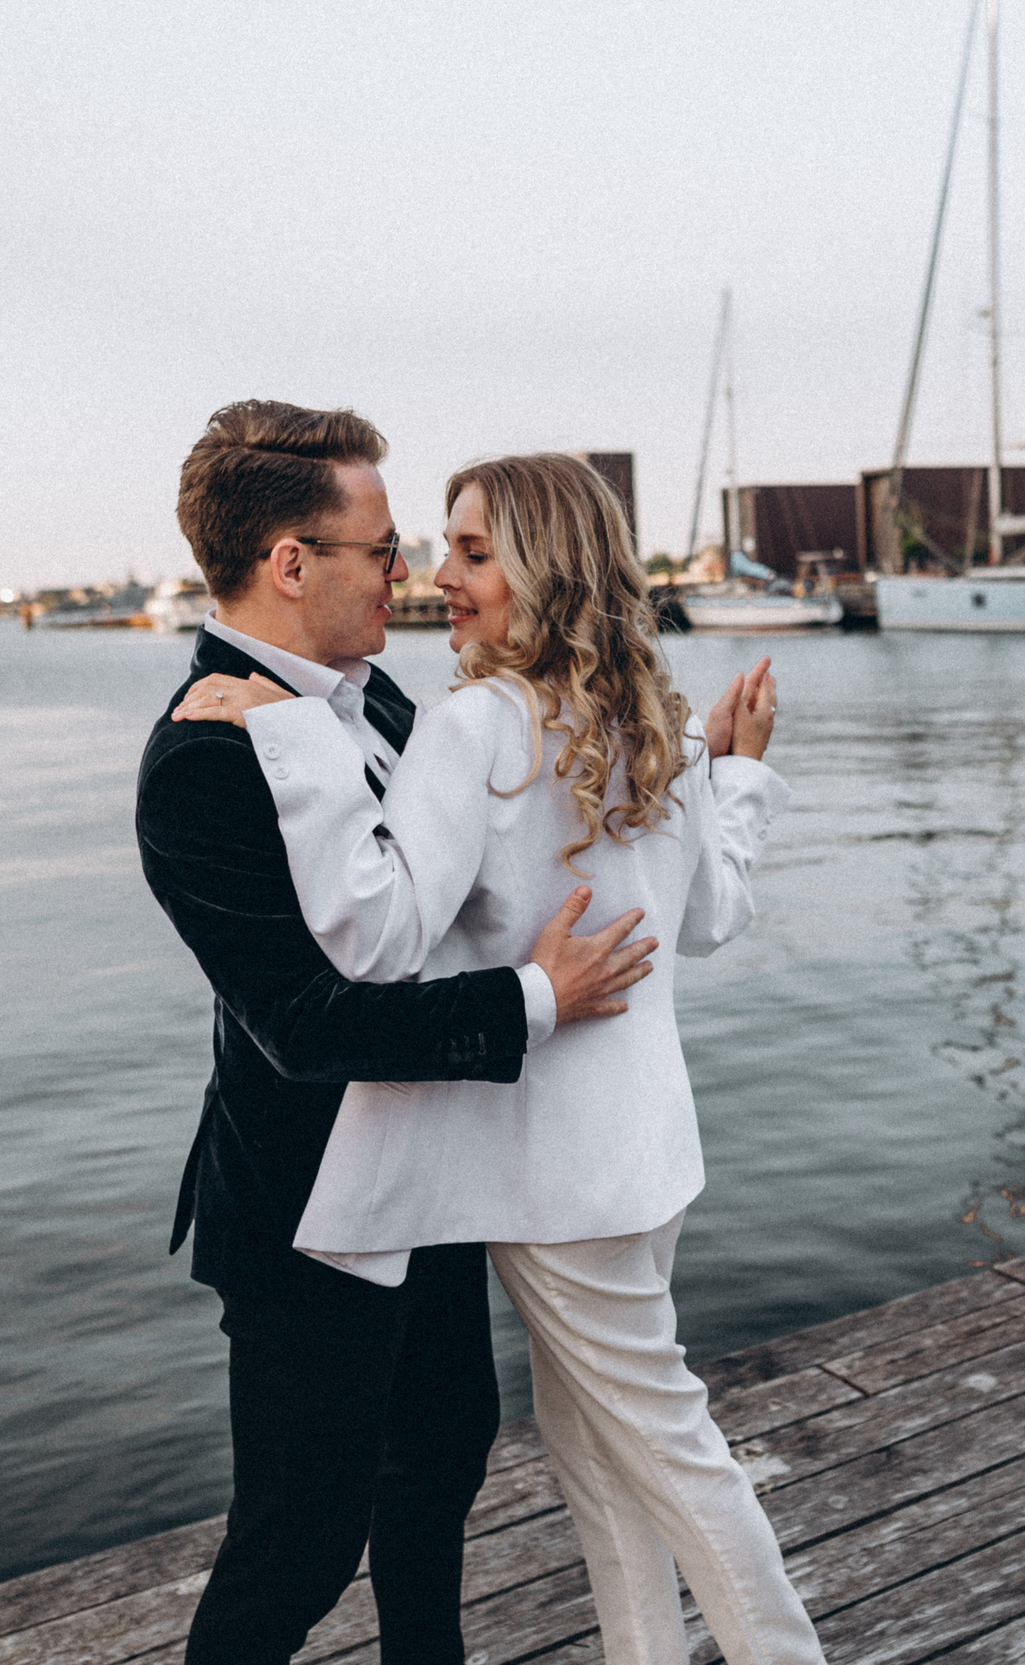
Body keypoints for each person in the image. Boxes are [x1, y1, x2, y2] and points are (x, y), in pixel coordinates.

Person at [173, 452, 824, 1664]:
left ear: (542, 567)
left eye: (472, 552)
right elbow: (714, 915)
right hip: (643, 1154)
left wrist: (295, 745)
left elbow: (373, 932)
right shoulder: (646, 722)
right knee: (600, 1458)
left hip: (546, 1171)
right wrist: (737, 772)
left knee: (669, 1452)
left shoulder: (465, 721)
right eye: (430, 549)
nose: (436, 577)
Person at [135, 402, 667, 1665]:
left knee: (437, 1473)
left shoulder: (381, 708)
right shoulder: (201, 756)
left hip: (429, 1176)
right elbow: (307, 1028)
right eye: (381, 550)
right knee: (298, 1544)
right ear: (290, 562)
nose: (411, 576)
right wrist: (539, 1001)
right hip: (308, 1219)